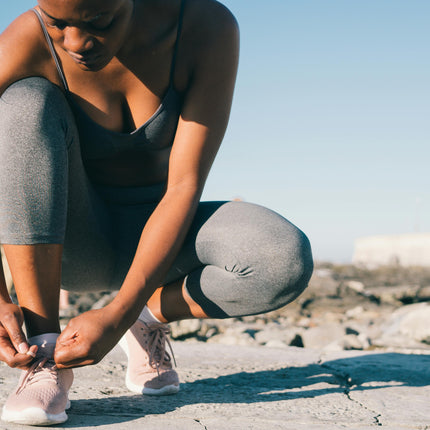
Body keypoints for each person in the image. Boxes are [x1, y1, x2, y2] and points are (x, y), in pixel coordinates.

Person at [0, 0, 313, 426]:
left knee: (281, 259)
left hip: (166, 236)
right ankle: (45, 353)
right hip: (72, 242)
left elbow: (184, 185)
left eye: (98, 22)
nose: (76, 42)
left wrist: (121, 313)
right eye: (59, 23)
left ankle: (146, 319)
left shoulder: (205, 27)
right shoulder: (27, 37)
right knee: (22, 104)